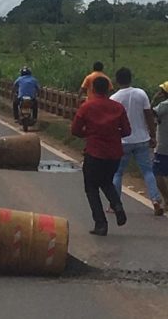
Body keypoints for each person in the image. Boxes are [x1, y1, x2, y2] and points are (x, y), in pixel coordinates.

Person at [71, 77, 130, 236]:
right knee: (106, 182)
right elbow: (126, 131)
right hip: (114, 154)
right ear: (108, 89)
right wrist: (113, 135)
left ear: (93, 89)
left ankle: (101, 224)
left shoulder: (87, 106)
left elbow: (75, 130)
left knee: (91, 188)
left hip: (94, 152)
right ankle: (117, 205)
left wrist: (88, 134)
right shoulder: (118, 107)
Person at [110, 67, 164, 215]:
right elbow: (148, 115)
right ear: (130, 78)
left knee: (117, 173)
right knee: (147, 171)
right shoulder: (141, 93)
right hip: (142, 139)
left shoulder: (114, 98)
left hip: (123, 141)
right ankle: (155, 200)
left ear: (117, 80)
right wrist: (152, 135)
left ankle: (115, 204)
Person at [151, 81, 168, 208]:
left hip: (164, 145)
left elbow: (150, 113)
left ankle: (167, 199)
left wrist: (154, 99)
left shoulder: (164, 105)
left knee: (157, 172)